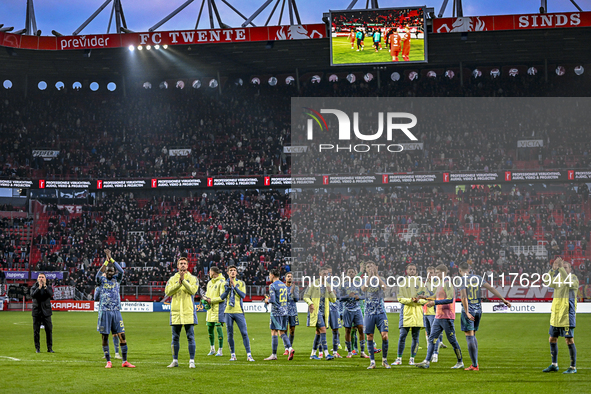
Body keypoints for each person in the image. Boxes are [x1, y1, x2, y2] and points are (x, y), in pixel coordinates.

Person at [458, 262, 511, 371]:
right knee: (473, 335)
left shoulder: (462, 280)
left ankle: (474, 365)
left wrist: (467, 312)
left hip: (469, 310)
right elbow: (491, 288)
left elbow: (463, 297)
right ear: (469, 269)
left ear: (460, 271)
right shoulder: (477, 278)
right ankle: (475, 363)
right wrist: (503, 300)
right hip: (478, 310)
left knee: (469, 337)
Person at [416, 264, 463, 369]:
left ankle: (460, 362)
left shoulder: (448, 284)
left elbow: (450, 299)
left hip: (447, 317)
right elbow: (435, 296)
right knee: (432, 338)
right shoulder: (441, 284)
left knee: (452, 340)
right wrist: (426, 297)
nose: (436, 274)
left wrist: (435, 303)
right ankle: (427, 361)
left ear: (443, 272)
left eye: (437, 272)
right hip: (438, 316)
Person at [96, 249, 135, 368]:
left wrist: (111, 258)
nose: (110, 272)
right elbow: (98, 274)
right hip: (105, 312)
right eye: (108, 270)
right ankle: (108, 361)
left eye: (112, 271)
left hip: (116, 311)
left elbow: (122, 271)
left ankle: (125, 361)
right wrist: (106, 262)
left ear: (113, 272)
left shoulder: (117, 280)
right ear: (106, 271)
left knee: (122, 335)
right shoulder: (101, 280)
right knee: (105, 336)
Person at [543, 257, 579, 374]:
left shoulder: (574, 279)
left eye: (565, 267)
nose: (563, 269)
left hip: (567, 315)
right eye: (562, 267)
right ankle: (554, 364)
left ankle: (573, 367)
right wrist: (552, 270)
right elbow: (547, 282)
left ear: (570, 269)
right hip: (556, 315)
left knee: (569, 340)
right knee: (552, 338)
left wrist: (560, 267)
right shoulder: (558, 278)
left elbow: (568, 283)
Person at [165, 257, 199, 368]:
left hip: (188, 312)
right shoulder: (172, 279)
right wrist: (178, 284)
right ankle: (175, 360)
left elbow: (193, 291)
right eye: (181, 263)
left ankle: (192, 361)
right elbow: (168, 292)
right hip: (176, 313)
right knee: (175, 337)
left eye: (184, 263)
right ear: (178, 266)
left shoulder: (193, 278)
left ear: (188, 265)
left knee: (190, 337)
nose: (183, 265)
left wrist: (183, 281)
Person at [393, 263, 427, 366]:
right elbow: (399, 298)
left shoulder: (421, 283)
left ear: (416, 271)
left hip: (417, 313)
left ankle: (412, 359)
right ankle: (399, 359)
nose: (412, 271)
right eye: (410, 269)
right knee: (402, 336)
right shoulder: (402, 283)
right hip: (406, 313)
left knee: (415, 337)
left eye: (414, 269)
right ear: (407, 271)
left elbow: (425, 299)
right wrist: (411, 300)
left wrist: (418, 301)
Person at [221, 265, 254, 362]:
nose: (232, 272)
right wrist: (228, 288)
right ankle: (233, 355)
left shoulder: (241, 283)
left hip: (239, 311)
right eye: (230, 270)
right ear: (227, 272)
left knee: (244, 333)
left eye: (234, 270)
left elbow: (243, 295)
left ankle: (249, 355)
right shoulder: (224, 284)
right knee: (230, 334)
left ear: (236, 273)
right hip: (228, 312)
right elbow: (222, 296)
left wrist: (234, 287)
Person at [361, 262, 390, 369]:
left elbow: (384, 287)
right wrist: (369, 277)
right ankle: (372, 362)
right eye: (367, 267)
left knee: (385, 335)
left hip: (380, 311)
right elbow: (363, 289)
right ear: (366, 269)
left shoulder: (380, 278)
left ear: (376, 267)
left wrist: (376, 275)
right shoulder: (364, 279)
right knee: (369, 336)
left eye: (371, 266)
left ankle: (384, 360)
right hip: (369, 312)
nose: (370, 268)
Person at [303, 268, 335, 360]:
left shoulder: (328, 285)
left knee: (318, 332)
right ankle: (327, 353)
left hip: (324, 312)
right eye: (324, 274)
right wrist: (310, 303)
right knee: (323, 330)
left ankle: (312, 354)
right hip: (316, 312)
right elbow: (306, 296)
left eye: (327, 274)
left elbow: (334, 300)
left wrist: (330, 291)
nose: (326, 276)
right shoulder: (313, 284)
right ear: (320, 274)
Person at [264, 268, 294, 360]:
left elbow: (272, 300)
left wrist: (267, 300)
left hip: (276, 312)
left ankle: (274, 354)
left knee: (274, 331)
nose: (269, 277)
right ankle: (290, 348)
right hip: (285, 311)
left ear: (272, 275)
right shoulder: (284, 285)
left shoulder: (272, 286)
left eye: (269, 275)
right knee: (282, 332)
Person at [418, 266, 444, 363]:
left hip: (435, 312)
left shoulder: (438, 284)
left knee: (434, 334)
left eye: (431, 273)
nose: (430, 275)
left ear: (435, 274)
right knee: (429, 334)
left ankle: (435, 354)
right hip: (426, 311)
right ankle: (431, 353)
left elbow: (437, 297)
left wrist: (426, 297)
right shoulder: (426, 284)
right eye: (428, 273)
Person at [341, 268, 368, 358]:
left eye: (353, 272)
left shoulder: (359, 284)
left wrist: (358, 297)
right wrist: (347, 296)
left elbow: (364, 296)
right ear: (347, 274)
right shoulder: (343, 285)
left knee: (361, 329)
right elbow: (339, 297)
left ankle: (362, 352)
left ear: (355, 274)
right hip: (347, 310)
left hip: (357, 309)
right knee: (348, 330)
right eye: (349, 272)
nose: (351, 273)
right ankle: (349, 352)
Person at [203, 266, 226, 356]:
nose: (209, 273)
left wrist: (211, 300)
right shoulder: (209, 283)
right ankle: (212, 349)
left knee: (218, 328)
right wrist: (205, 300)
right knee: (209, 329)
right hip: (210, 310)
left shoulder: (222, 282)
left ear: (212, 272)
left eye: (209, 271)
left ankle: (220, 350)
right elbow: (207, 295)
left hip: (218, 310)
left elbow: (222, 297)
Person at [94, 287, 121, 360]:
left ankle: (117, 353)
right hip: (103, 313)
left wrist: (118, 307)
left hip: (113, 311)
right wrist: (98, 289)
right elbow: (95, 297)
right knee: (104, 334)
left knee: (115, 333)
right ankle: (106, 353)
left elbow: (118, 297)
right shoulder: (100, 287)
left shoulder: (114, 286)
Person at [31, 273, 53, 353]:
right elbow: (32, 295)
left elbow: (50, 294)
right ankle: (37, 348)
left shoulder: (48, 287)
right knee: (36, 331)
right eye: (39, 277)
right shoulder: (34, 287)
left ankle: (49, 348)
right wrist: (39, 288)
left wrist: (44, 287)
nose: (41, 279)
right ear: (37, 279)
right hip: (37, 312)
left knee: (49, 330)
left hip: (46, 312)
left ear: (45, 279)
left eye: (42, 277)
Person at [325, 266, 342, 358]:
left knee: (335, 331)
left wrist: (335, 294)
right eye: (327, 273)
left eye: (330, 273)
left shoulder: (335, 283)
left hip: (334, 309)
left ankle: (335, 352)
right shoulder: (319, 284)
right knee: (321, 331)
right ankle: (321, 352)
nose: (329, 275)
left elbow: (339, 296)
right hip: (324, 310)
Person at [282, 272, 299, 355]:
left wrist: (293, 291)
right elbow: (284, 299)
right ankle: (286, 348)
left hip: (293, 311)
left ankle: (290, 348)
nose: (290, 278)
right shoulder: (282, 288)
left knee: (292, 330)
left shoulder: (296, 288)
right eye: (288, 276)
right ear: (285, 278)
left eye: (291, 277)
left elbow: (297, 299)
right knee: (284, 330)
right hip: (284, 311)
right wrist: (290, 292)